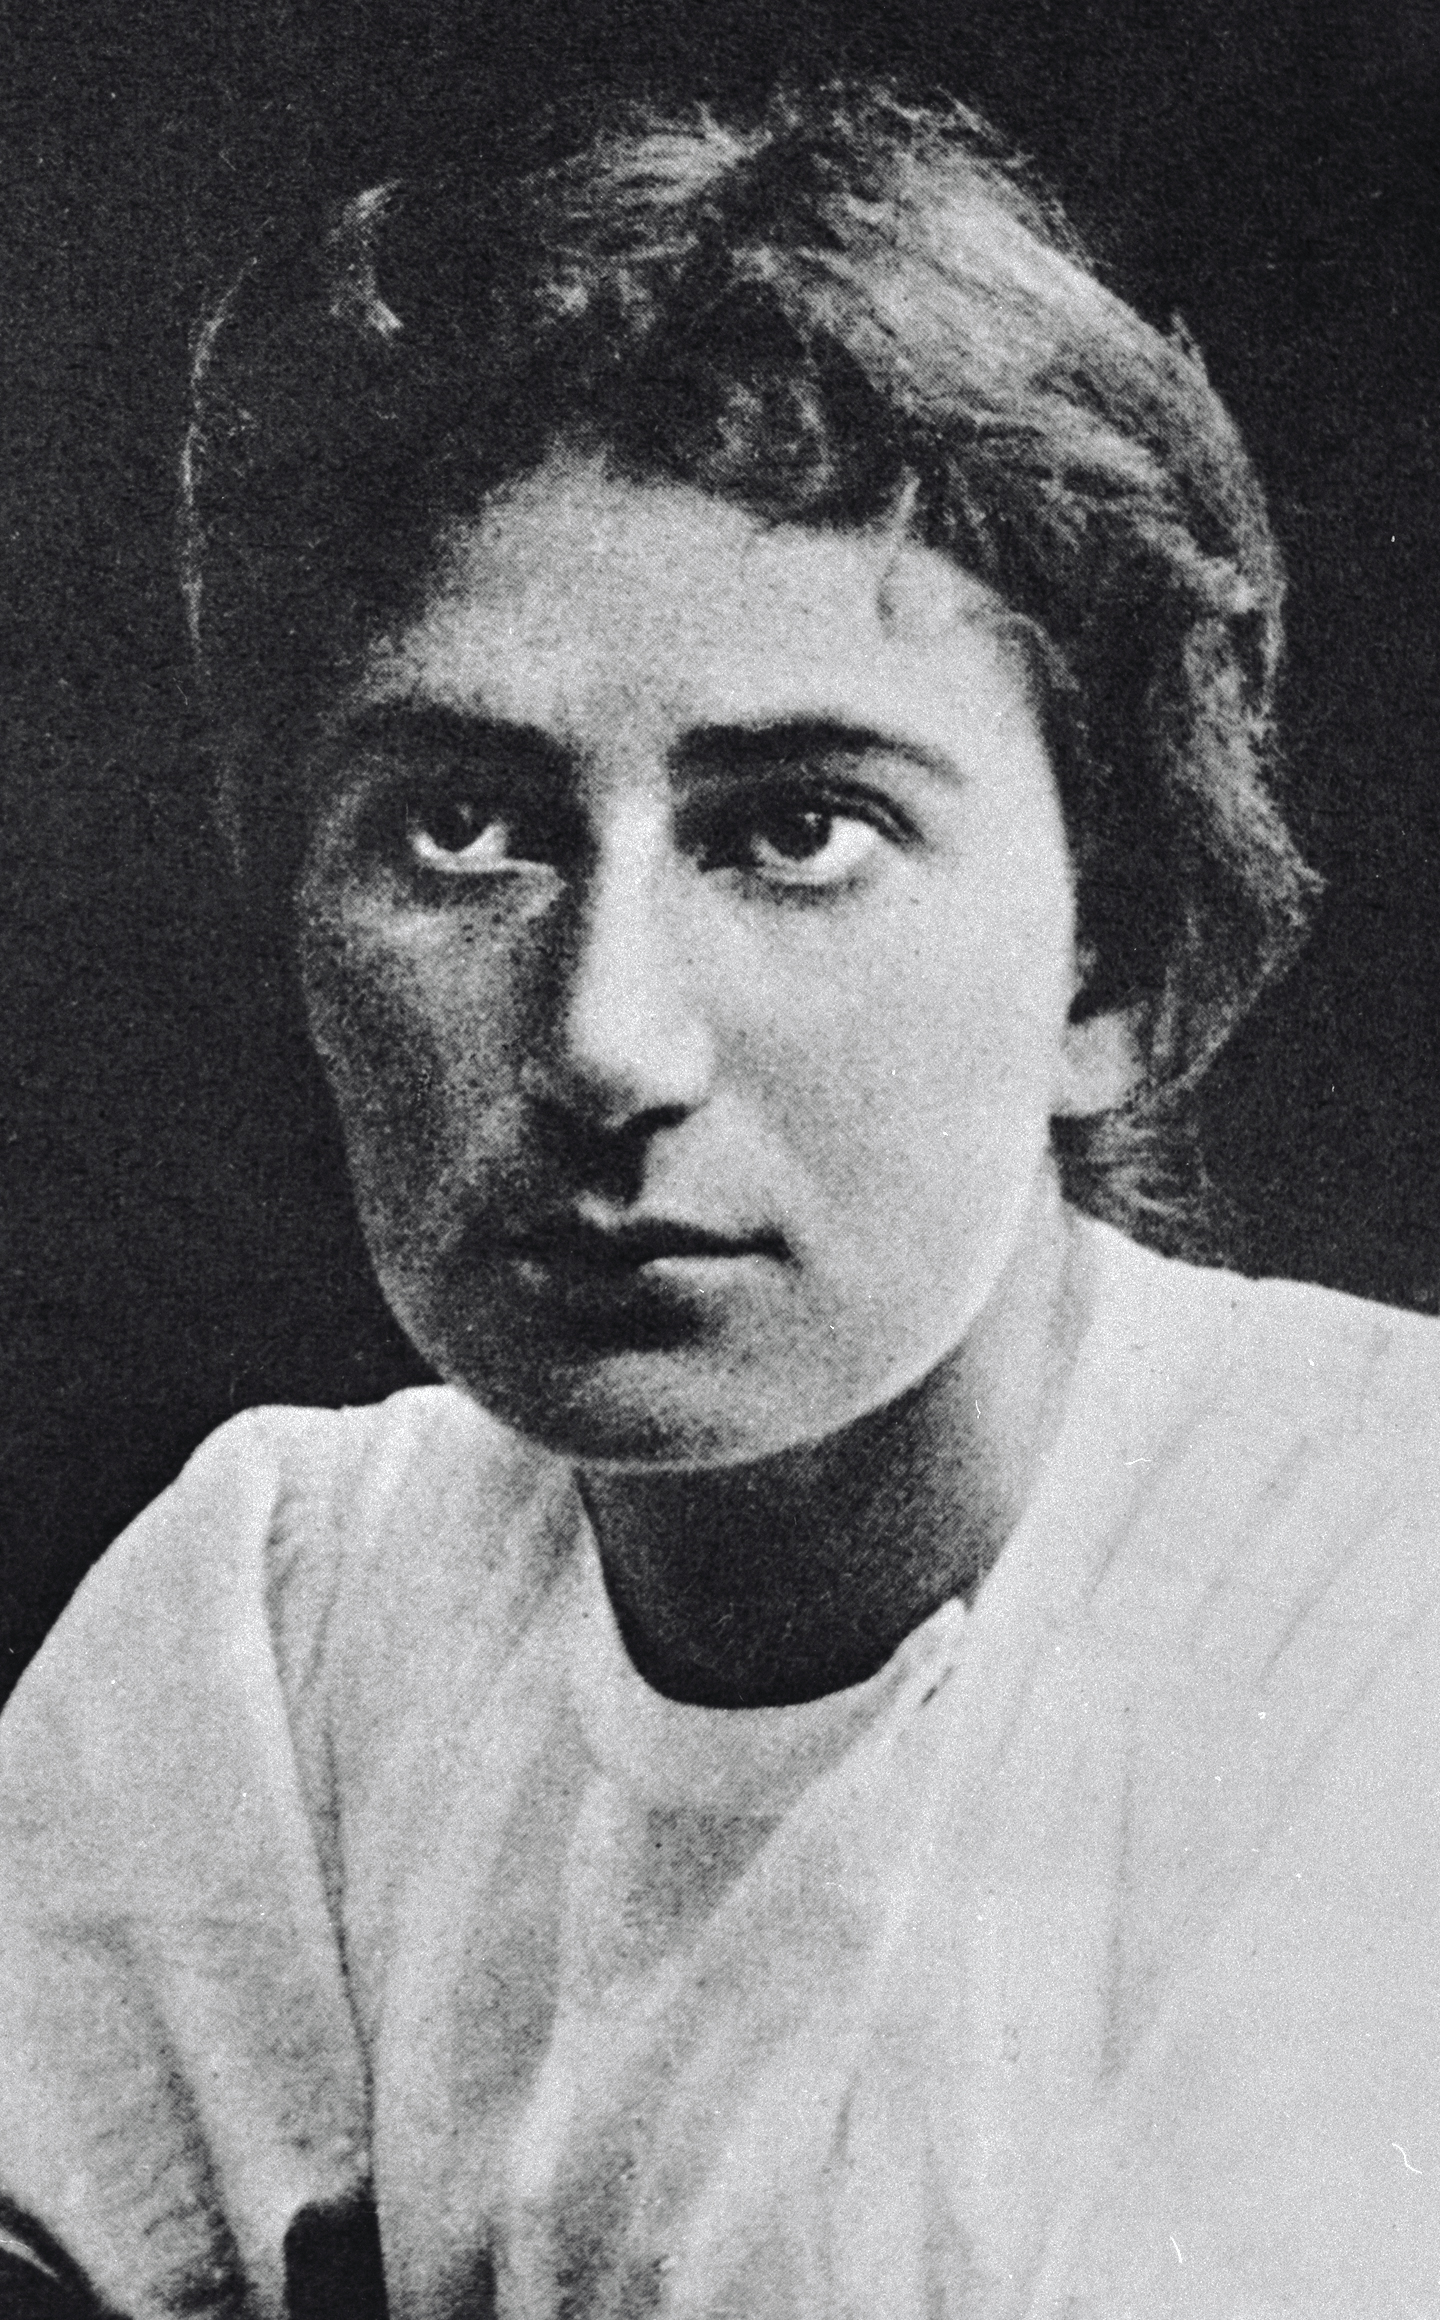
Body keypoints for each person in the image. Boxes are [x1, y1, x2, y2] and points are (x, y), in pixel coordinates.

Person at [1, 76, 1437, 2320]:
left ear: (1114, 964)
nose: (608, 1042)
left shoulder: (1375, 1595)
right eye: (464, 828)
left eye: (795, 828)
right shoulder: (283, 1611)